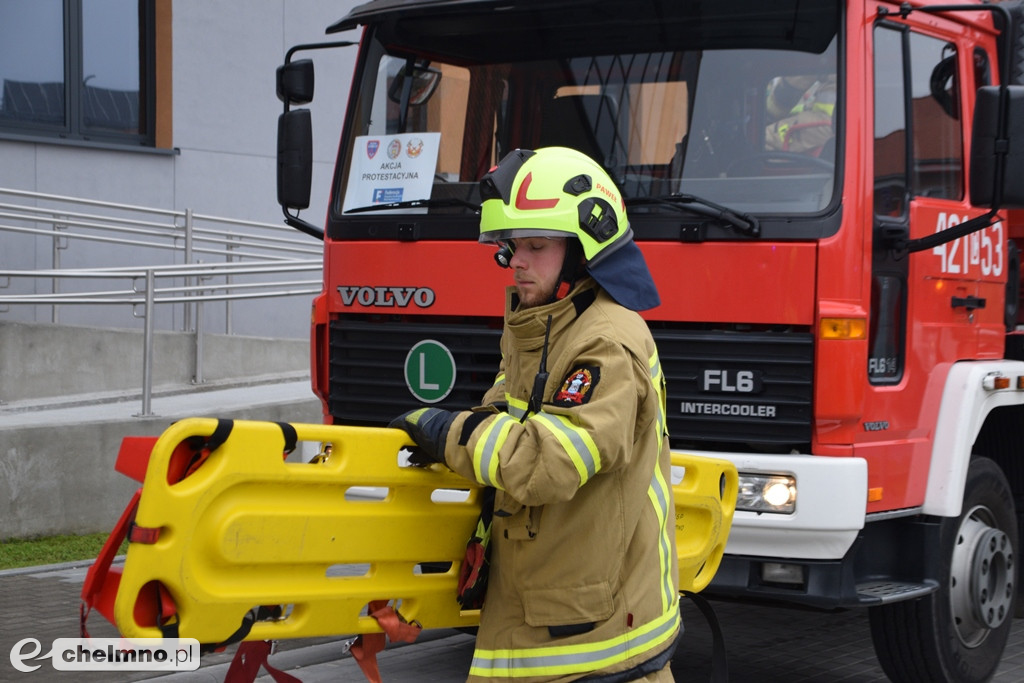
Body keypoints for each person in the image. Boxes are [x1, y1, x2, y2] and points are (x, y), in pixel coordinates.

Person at [390, 146, 680, 682]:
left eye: (536, 246)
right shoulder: (542, 327)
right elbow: (503, 418)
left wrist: (445, 429)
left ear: (585, 248)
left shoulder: (607, 343)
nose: (516, 260)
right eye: (511, 246)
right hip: (548, 613)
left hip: (594, 641)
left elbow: (549, 462)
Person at [764, 73, 837, 155]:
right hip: (839, 124)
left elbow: (801, 76)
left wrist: (771, 111)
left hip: (831, 124)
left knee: (763, 140)